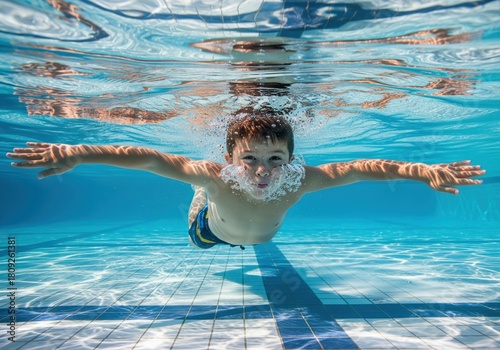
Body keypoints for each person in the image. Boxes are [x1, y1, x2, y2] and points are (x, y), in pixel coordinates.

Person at [7, 115, 485, 249]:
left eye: (276, 159)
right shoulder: (218, 175)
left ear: (293, 160)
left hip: (259, 234)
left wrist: (422, 171)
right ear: (229, 157)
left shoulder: (299, 180)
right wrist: (77, 152)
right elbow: (149, 159)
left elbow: (361, 168)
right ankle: (199, 204)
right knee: (202, 208)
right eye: (250, 159)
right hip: (209, 233)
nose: (263, 172)